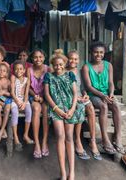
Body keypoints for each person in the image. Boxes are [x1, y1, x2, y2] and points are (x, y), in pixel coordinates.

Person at [81, 41, 125, 155]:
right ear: (91, 53)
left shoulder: (108, 65)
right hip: (94, 94)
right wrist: (102, 96)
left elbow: (111, 82)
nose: (98, 55)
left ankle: (118, 137)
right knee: (103, 106)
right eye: (96, 52)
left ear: (104, 53)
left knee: (115, 105)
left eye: (101, 52)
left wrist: (111, 93)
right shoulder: (86, 67)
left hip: (106, 93)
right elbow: (89, 87)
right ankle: (105, 139)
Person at [44, 51, 80, 180]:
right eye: (55, 65)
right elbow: (47, 95)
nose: (58, 67)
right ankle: (63, 173)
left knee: (69, 137)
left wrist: (72, 109)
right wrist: (56, 108)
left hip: (69, 108)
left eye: (60, 64)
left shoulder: (70, 75)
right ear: (52, 65)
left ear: (64, 64)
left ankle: (72, 173)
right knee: (60, 135)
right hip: (56, 109)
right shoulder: (48, 76)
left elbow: (75, 93)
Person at [67, 50, 102, 160]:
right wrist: (75, 97)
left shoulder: (80, 72)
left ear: (79, 60)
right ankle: (77, 140)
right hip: (70, 98)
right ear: (67, 59)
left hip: (80, 96)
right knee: (80, 108)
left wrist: (85, 95)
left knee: (90, 107)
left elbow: (82, 88)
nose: (73, 61)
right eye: (71, 58)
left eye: (75, 59)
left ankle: (93, 141)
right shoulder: (64, 71)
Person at [27, 49, 50, 158]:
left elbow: (50, 86)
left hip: (45, 96)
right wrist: (35, 96)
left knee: (45, 109)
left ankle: (44, 142)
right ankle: (37, 143)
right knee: (36, 109)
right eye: (35, 57)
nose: (38, 59)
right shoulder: (29, 69)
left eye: (40, 57)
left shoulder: (48, 69)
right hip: (33, 96)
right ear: (32, 59)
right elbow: (27, 87)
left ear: (44, 58)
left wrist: (43, 97)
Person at [10, 60, 33, 151]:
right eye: (16, 69)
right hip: (14, 100)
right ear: (13, 70)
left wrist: (24, 102)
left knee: (29, 111)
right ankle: (15, 137)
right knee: (15, 113)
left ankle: (25, 135)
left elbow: (26, 93)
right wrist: (17, 101)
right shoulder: (13, 77)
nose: (18, 71)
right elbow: (12, 92)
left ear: (24, 70)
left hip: (24, 100)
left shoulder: (27, 79)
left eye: (21, 69)